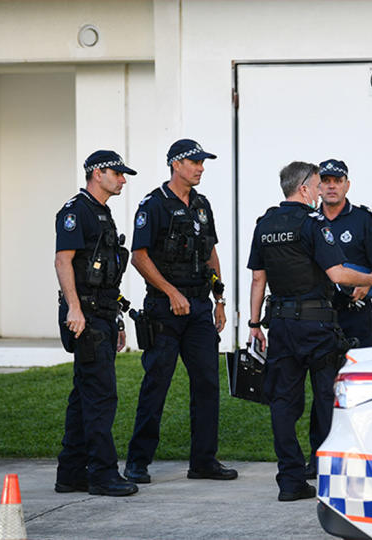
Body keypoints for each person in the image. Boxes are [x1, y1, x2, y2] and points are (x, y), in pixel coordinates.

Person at [247, 161, 372, 501]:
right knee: (328, 397)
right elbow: (338, 275)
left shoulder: (265, 223)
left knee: (283, 402)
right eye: (316, 184)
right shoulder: (313, 223)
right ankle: (334, 476)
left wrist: (255, 324)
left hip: (280, 325)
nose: (320, 190)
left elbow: (258, 278)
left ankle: (290, 480)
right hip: (316, 325)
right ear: (303, 188)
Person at [123, 139, 237, 484]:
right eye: (194, 162)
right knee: (156, 383)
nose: (200, 167)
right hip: (164, 309)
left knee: (207, 384)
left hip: (200, 308)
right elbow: (138, 256)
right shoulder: (153, 204)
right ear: (175, 164)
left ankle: (203, 461)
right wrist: (170, 291)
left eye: (202, 162)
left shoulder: (202, 205)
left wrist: (219, 298)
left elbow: (210, 253)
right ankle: (137, 462)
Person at [302, 158, 372, 479]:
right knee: (323, 388)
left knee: (362, 386)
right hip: (321, 316)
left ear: (346, 185)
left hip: (357, 317)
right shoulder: (308, 220)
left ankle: (364, 455)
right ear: (318, 185)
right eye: (325, 180)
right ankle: (319, 456)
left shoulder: (363, 219)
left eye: (336, 180)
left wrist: (365, 283)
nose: (330, 185)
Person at [54, 149, 138, 497]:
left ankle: (71, 474)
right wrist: (75, 309)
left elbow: (106, 273)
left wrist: (116, 319)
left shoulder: (101, 212)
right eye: (118, 174)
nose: (122, 180)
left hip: (101, 314)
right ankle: (103, 474)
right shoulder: (77, 211)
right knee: (101, 396)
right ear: (98, 172)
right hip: (85, 316)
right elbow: (63, 260)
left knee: (83, 397)